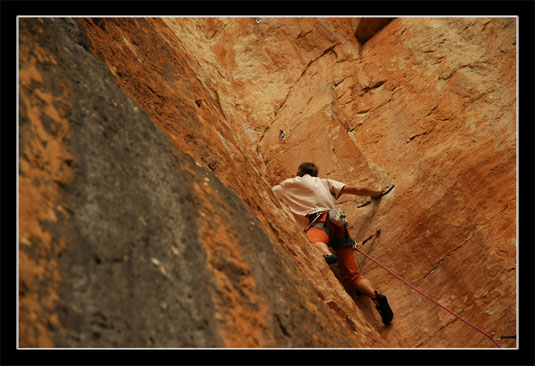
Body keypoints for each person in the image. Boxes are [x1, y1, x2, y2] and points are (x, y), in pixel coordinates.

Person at [272, 162, 393, 325]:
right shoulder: (325, 182)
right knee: (352, 276)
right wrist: (376, 191)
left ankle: (327, 254)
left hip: (318, 222)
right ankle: (375, 296)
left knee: (313, 241)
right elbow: (355, 189)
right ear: (315, 174)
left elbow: (266, 191)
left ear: (297, 173)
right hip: (339, 225)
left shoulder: (289, 184)